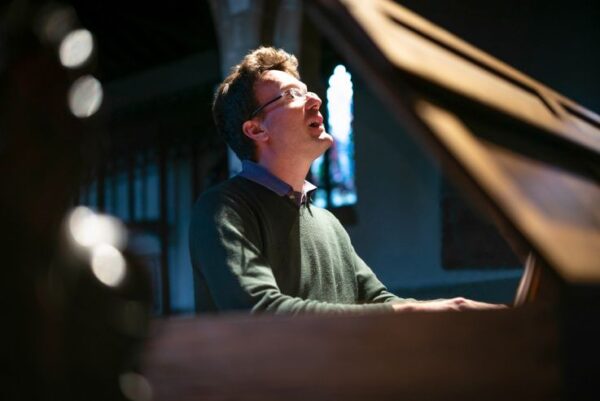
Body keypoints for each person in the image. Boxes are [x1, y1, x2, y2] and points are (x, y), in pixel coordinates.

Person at [189, 46, 503, 314]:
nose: (314, 99)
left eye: (307, 89)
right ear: (256, 130)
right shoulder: (224, 208)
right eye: (291, 95)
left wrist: (456, 312)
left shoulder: (327, 223)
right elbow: (260, 310)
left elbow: (378, 301)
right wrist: (411, 311)